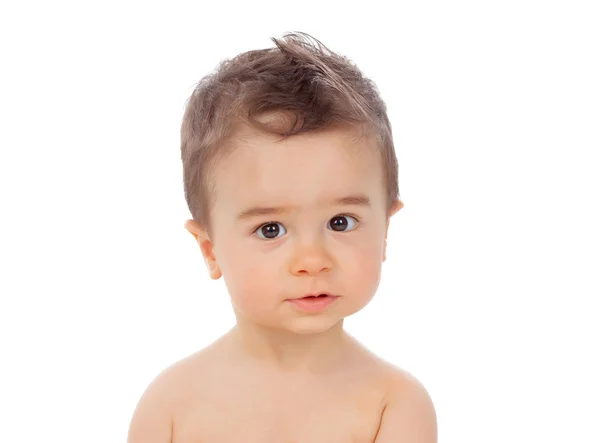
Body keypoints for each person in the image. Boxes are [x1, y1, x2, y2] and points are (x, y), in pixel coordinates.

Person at [127, 32, 437, 443]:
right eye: (270, 229)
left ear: (385, 231)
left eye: (341, 222)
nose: (312, 259)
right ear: (210, 250)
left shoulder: (392, 405)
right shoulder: (171, 406)